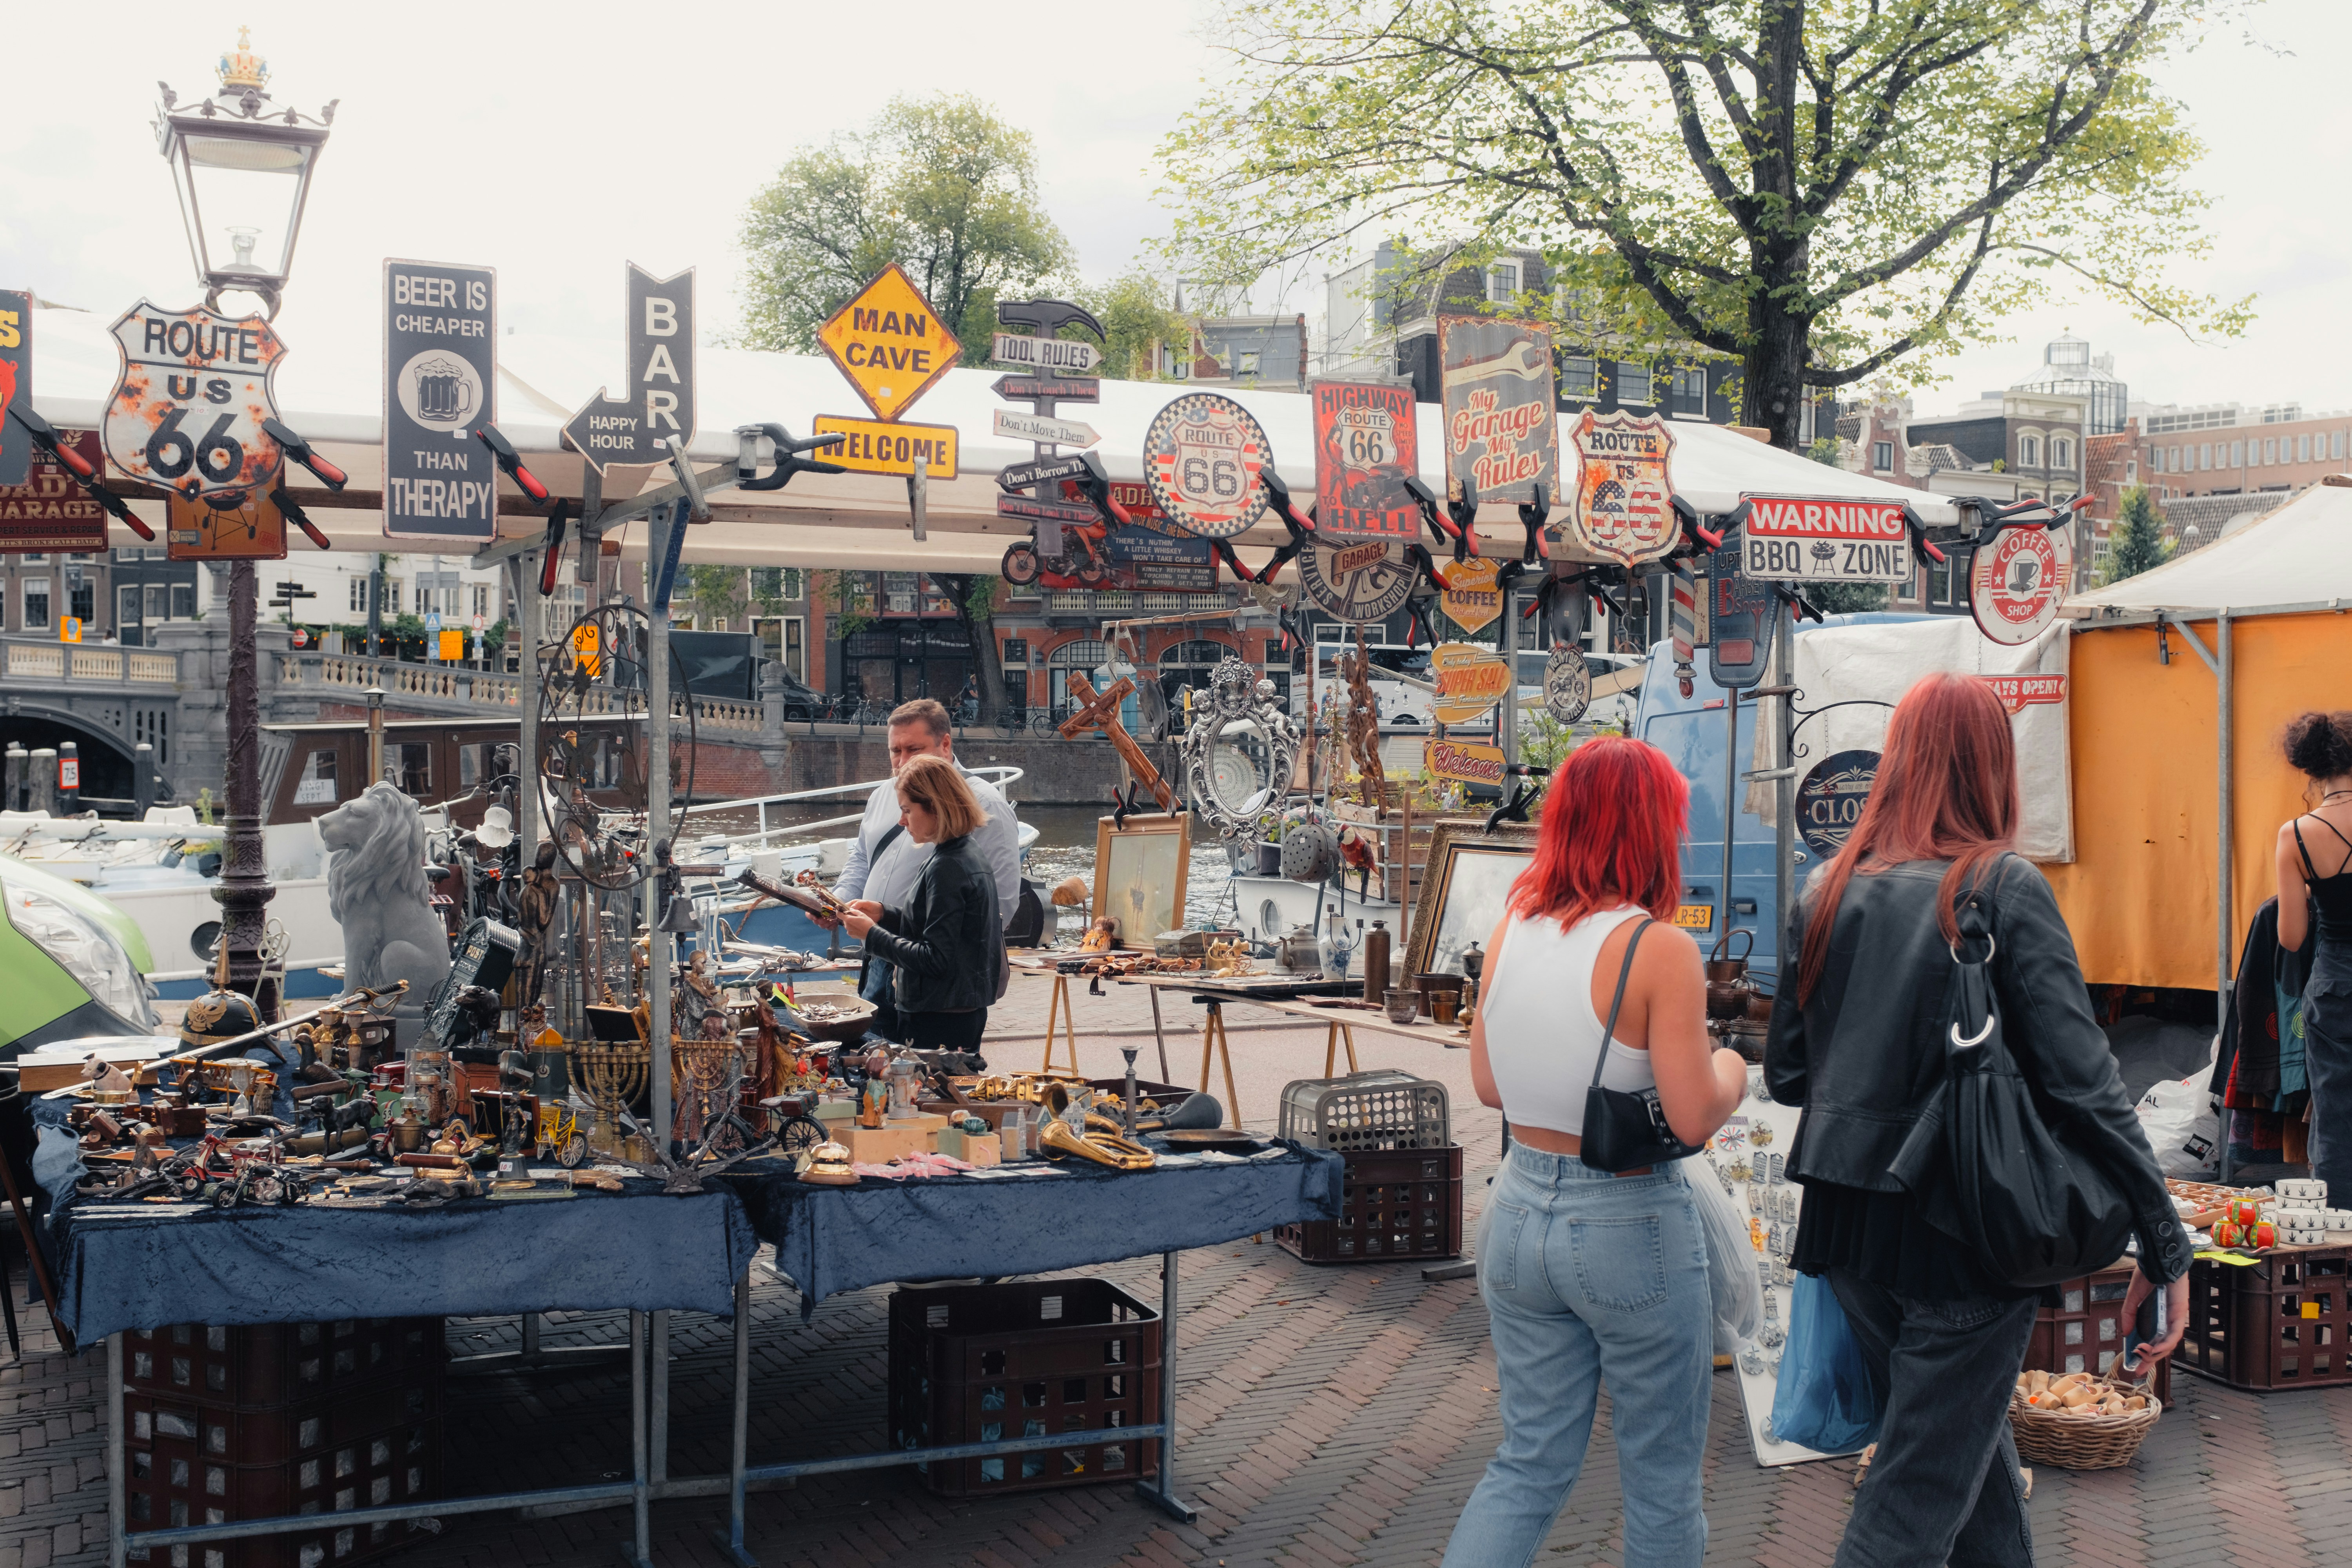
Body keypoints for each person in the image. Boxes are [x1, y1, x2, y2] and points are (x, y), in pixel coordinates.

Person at [1765, 673, 2189, 1568]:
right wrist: (2167, 1245)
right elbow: (2087, 1085)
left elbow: (1790, 1073)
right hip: (1964, 1223)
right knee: (1917, 1494)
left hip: (1847, 1227)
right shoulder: (1998, 885)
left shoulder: (1826, 889)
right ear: (1994, 766)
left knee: (1964, 1464)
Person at [1442, 737, 1746, 1568]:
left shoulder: (1513, 923)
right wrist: (1733, 1067)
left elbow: (1491, 1085)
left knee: (1528, 1462)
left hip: (1517, 1211)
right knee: (1660, 1480)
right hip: (1627, 1218)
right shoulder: (1658, 947)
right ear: (1652, 828)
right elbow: (1690, 1118)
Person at [826, 699, 1022, 1038]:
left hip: (933, 985)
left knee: (908, 1075)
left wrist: (963, 972)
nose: (902, 763)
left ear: (945, 744)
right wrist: (858, 906)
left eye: (913, 749)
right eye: (895, 751)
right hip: (885, 960)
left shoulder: (981, 812)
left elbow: (998, 907)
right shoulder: (883, 796)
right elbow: (862, 857)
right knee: (878, 1058)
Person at [838, 755, 1001, 1053]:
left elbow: (935, 959)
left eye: (907, 811)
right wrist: (884, 914)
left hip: (939, 1016)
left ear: (936, 808)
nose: (902, 821)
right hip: (955, 1009)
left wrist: (871, 935)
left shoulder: (948, 867)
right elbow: (943, 929)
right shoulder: (962, 852)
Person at [2275, 710, 2352, 1199]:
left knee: (2335, 1109)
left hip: (2336, 985)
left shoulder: (2297, 834)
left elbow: (2291, 938)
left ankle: (2338, 1246)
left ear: (2311, 771)